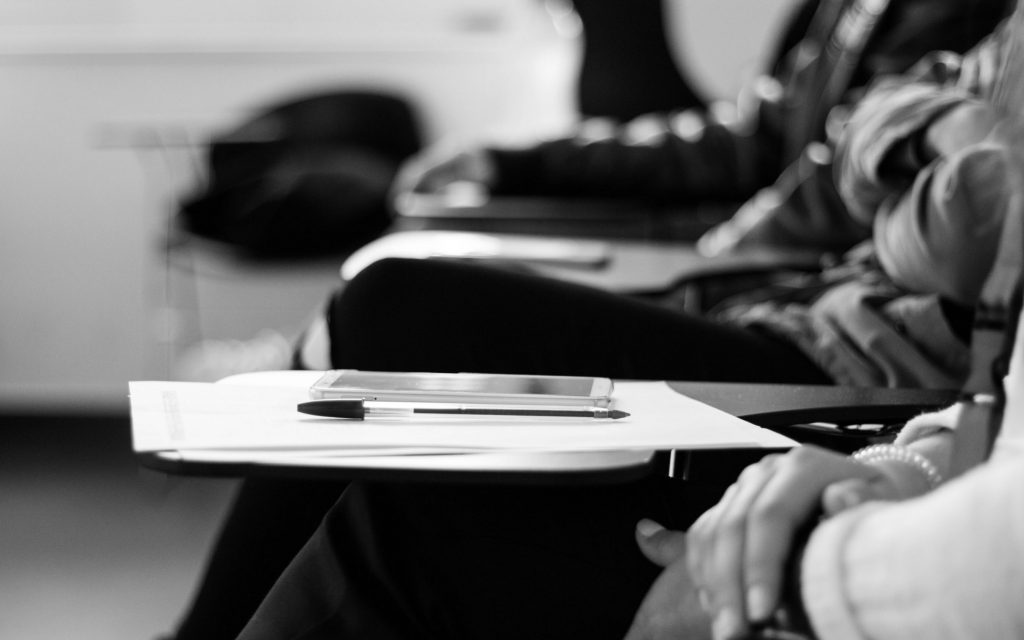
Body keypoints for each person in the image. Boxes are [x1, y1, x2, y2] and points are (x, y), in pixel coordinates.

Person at [170, 2, 1012, 637]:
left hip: (845, 372)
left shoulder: (959, 11)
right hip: (796, 308)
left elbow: (953, 233)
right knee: (395, 316)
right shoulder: (901, 17)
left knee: (395, 307)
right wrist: (932, 130)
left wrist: (910, 157)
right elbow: (817, 137)